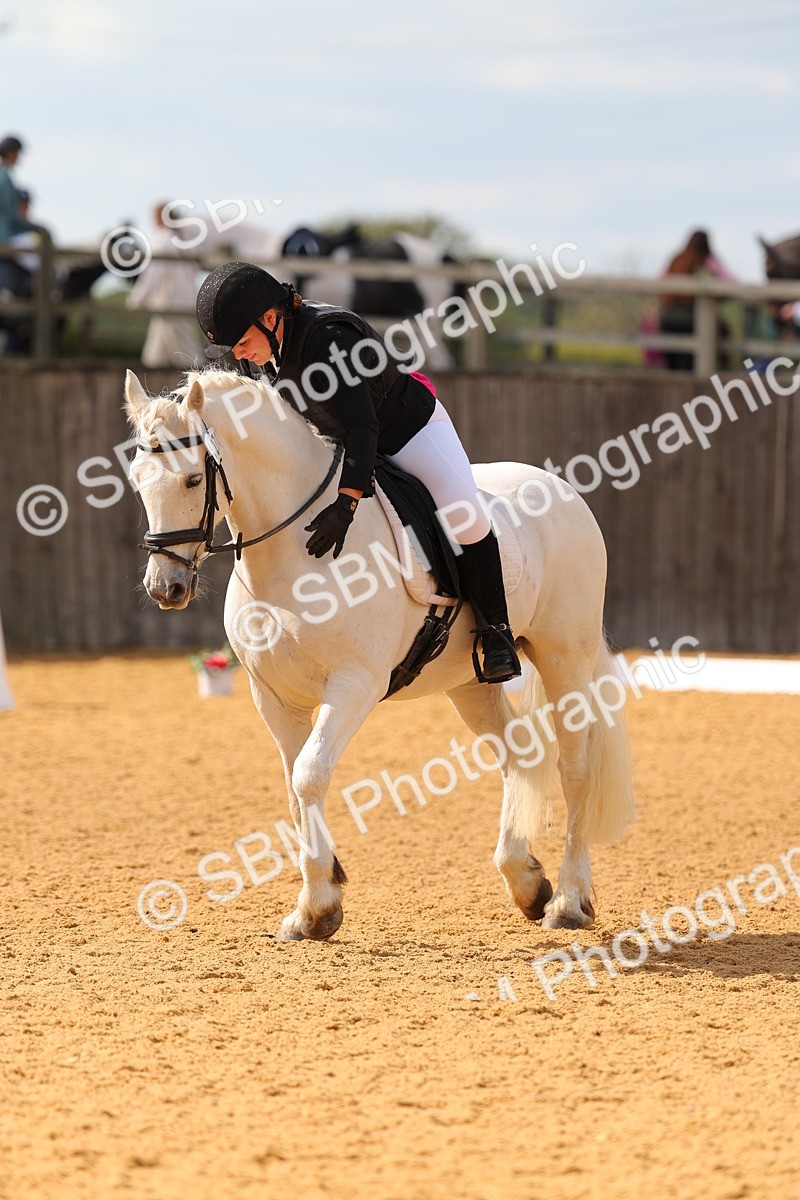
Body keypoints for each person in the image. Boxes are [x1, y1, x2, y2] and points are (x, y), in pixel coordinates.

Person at [195, 262, 521, 683]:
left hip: (407, 432)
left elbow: (363, 426)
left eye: (241, 342)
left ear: (271, 318)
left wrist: (345, 506)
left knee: (465, 516)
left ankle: (497, 633)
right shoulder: (262, 351)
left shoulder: (328, 340)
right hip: (340, 441)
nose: (239, 354)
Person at [126, 201, 202, 368]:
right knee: (154, 358)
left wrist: (136, 301)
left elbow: (152, 275)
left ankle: (208, 391)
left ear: (158, 218)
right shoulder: (184, 242)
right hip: (180, 305)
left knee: (190, 360)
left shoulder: (163, 241)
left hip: (170, 306)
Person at [658, 229, 735, 371]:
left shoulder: (676, 259)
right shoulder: (707, 260)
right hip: (692, 320)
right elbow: (731, 282)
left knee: (675, 365)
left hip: (668, 319)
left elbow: (660, 281)